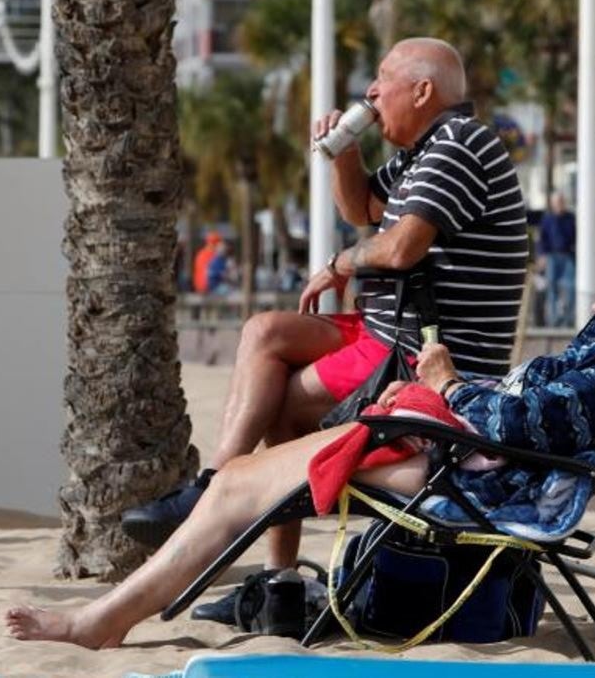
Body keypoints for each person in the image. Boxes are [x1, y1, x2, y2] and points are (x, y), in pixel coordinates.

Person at [4, 262, 595, 650]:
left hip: (466, 474)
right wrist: (446, 388)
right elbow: (528, 417)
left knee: (234, 488)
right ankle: (121, 611)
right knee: (241, 484)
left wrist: (445, 384)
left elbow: (520, 424)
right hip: (466, 457)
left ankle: (104, 622)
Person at [120, 37, 528, 605]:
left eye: (383, 78)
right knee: (265, 331)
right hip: (388, 328)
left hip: (427, 353)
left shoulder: (460, 143)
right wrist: (344, 154)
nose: (371, 91)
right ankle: (214, 488)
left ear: (423, 90)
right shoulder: (425, 150)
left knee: (283, 401)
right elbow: (362, 209)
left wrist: (340, 264)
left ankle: (252, 544)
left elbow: (403, 246)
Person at [537, 192, 576, 327]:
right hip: (552, 257)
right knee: (551, 289)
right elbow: (542, 239)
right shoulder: (547, 219)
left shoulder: (571, 218)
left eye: (561, 201)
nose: (559, 204)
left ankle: (567, 320)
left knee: (571, 287)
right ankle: (553, 320)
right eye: (557, 202)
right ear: (553, 204)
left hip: (567, 256)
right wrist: (542, 256)